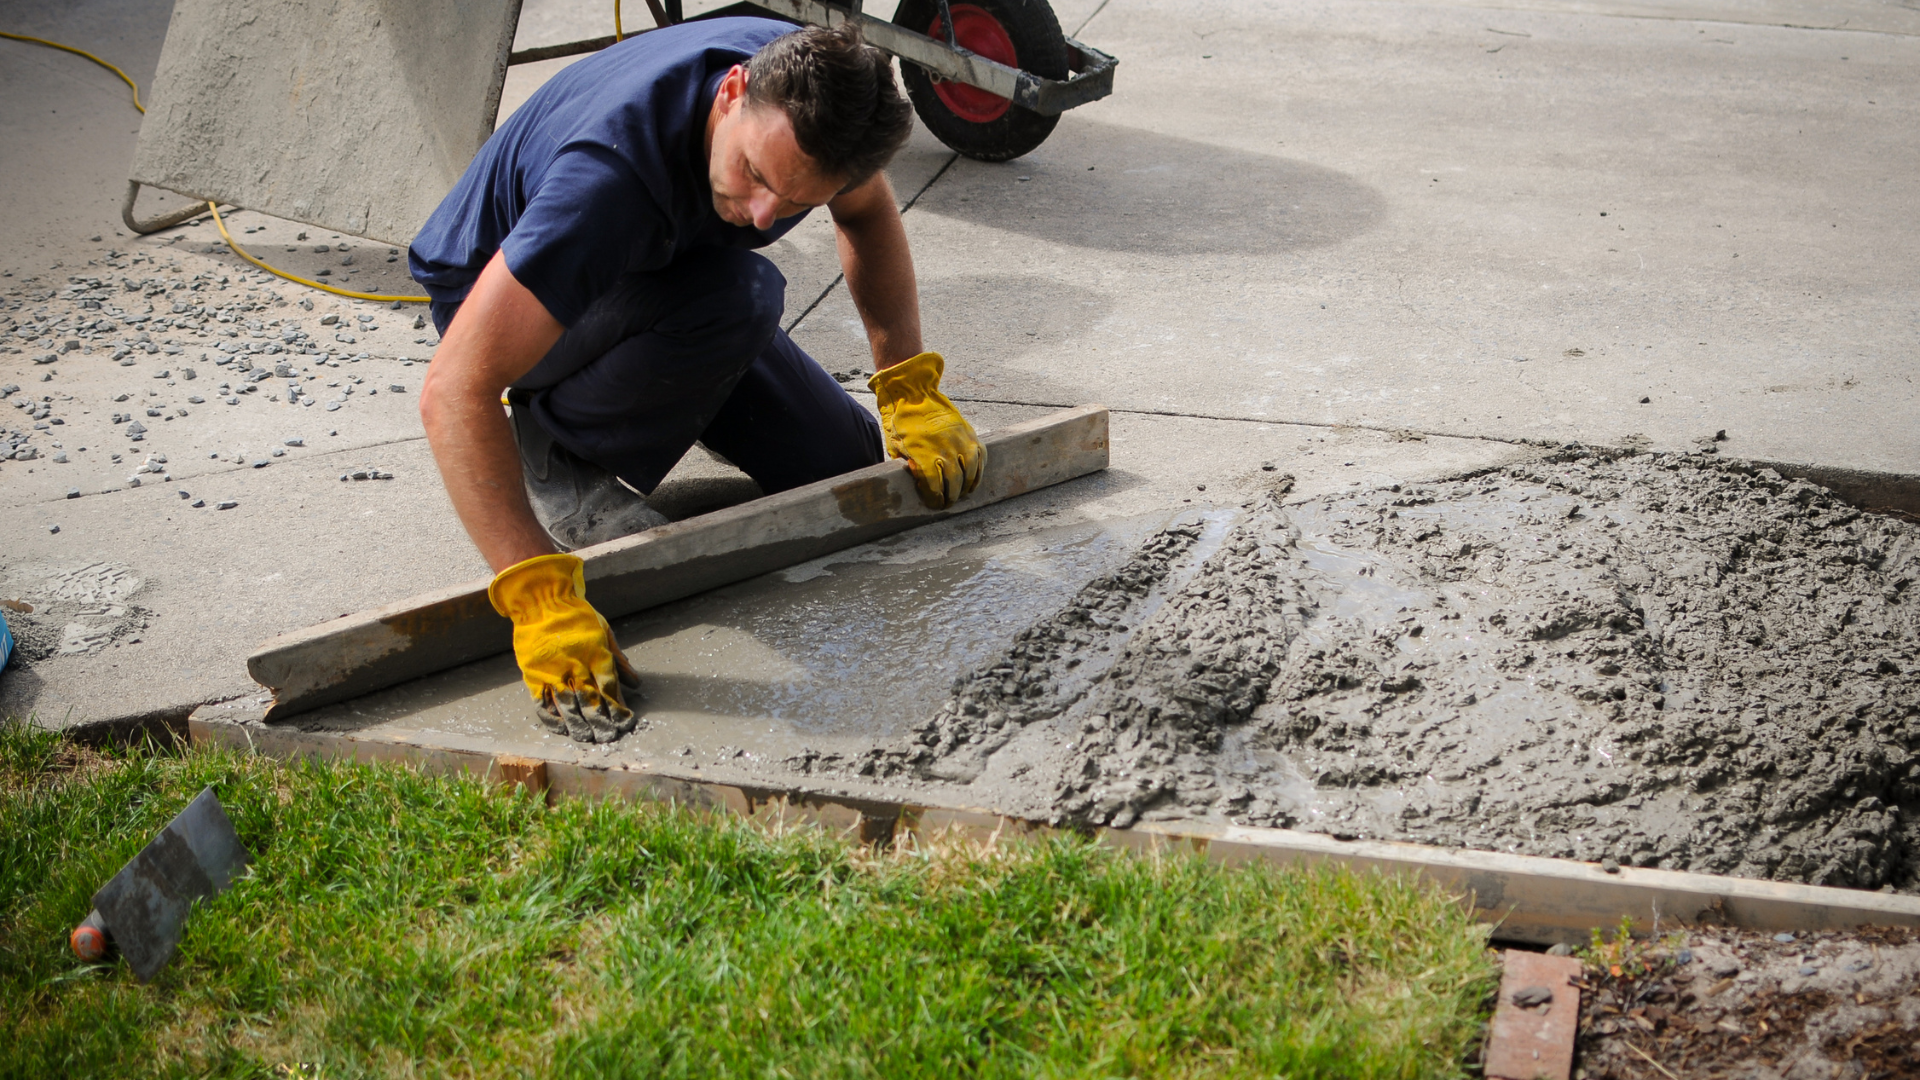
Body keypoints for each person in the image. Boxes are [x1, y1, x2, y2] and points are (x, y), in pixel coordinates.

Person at [410, 18, 985, 744]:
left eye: (797, 202)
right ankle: (558, 439)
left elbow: (867, 214)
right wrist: (535, 594)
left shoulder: (826, 100)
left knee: (846, 466)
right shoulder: (606, 181)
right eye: (756, 175)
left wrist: (905, 384)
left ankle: (676, 372)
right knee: (741, 292)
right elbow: (453, 386)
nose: (763, 214)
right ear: (733, 91)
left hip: (668, 271)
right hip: (501, 296)